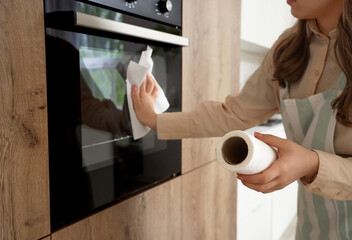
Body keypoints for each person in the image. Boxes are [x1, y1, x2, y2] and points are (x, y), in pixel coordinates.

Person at [131, 0, 351, 238]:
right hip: (313, 228)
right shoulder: (289, 48)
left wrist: (312, 164)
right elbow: (234, 113)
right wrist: (155, 120)